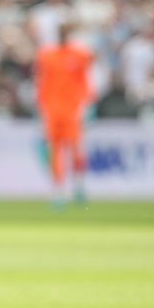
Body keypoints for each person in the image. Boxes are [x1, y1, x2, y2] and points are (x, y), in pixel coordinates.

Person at [35, 22, 94, 208]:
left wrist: (86, 104)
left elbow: (84, 81)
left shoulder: (80, 54)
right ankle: (58, 190)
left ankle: (79, 185)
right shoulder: (47, 55)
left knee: (76, 149)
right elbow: (42, 82)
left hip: (72, 109)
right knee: (54, 151)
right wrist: (41, 107)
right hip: (53, 110)